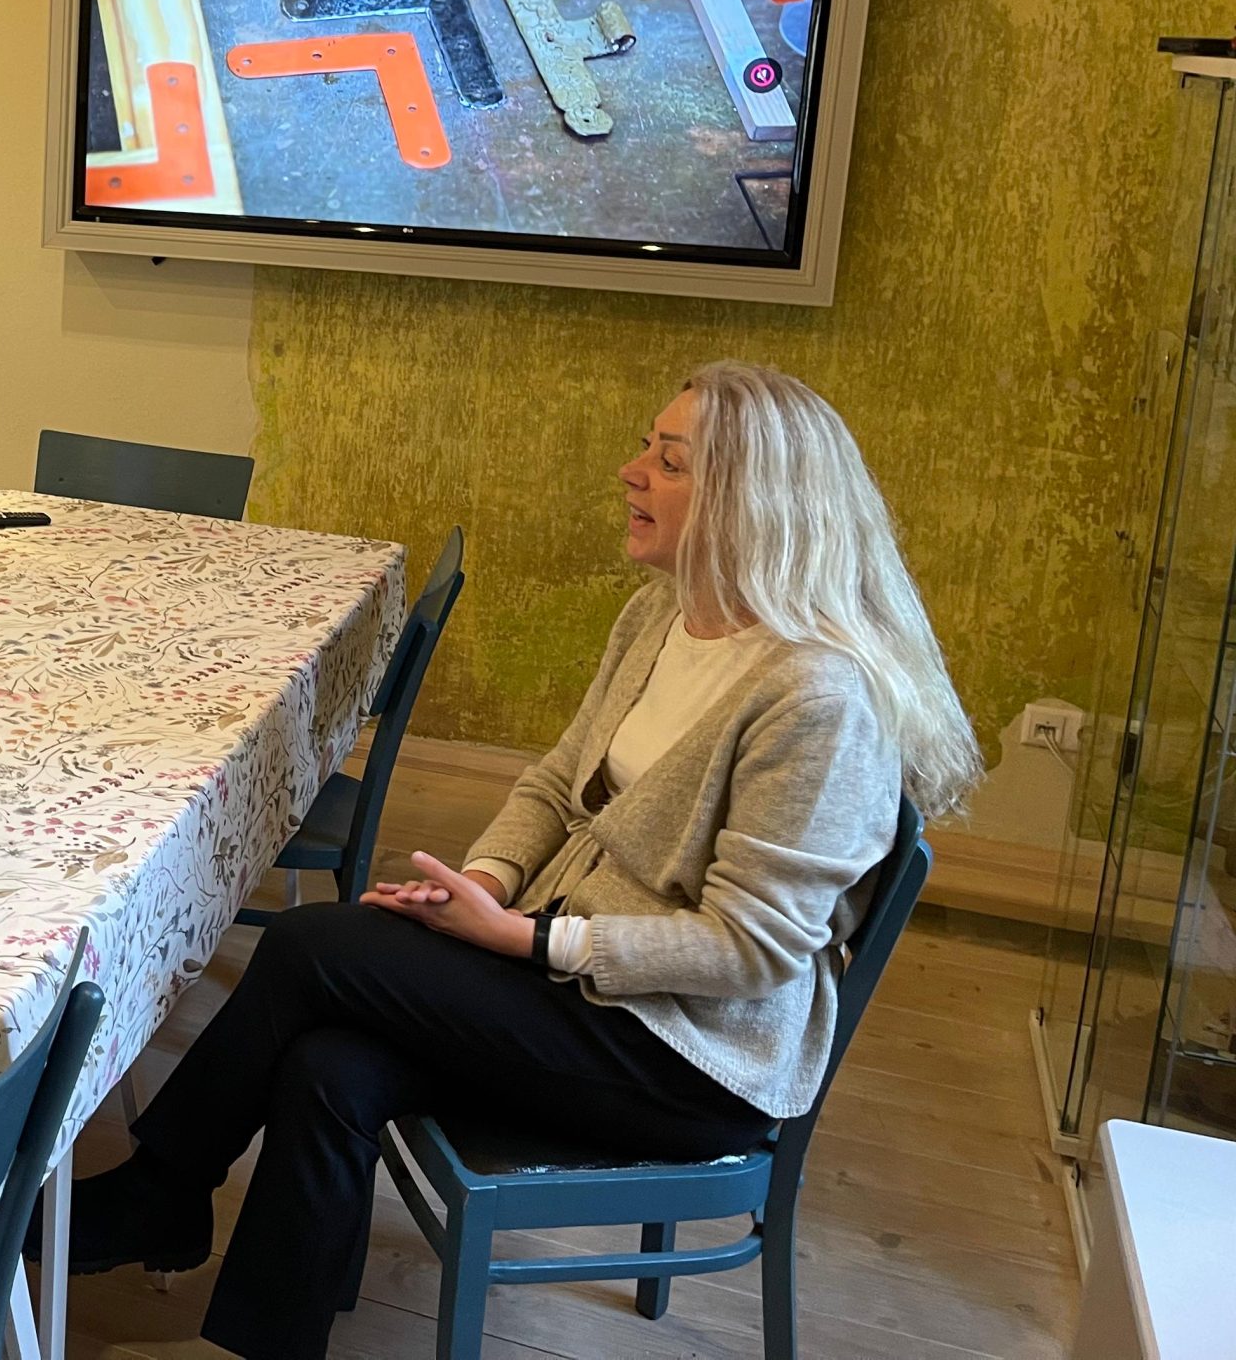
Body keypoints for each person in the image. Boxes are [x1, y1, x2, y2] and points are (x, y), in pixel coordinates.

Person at [58, 361, 981, 1360]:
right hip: (583, 986)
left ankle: (160, 1193)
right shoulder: (661, 616)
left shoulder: (815, 699)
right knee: (332, 1065)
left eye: (669, 462)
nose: (631, 471)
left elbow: (750, 951)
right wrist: (488, 884)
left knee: (307, 947)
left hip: (688, 1055)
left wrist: (525, 940)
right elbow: (554, 784)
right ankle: (246, 1336)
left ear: (753, 502)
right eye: (647, 446)